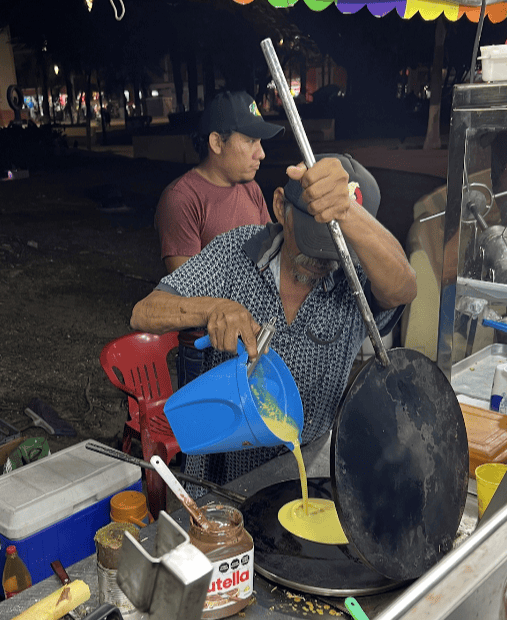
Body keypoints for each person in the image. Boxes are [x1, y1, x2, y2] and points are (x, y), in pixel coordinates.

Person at [133, 154, 417, 495]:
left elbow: (404, 287)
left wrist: (346, 212)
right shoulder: (235, 252)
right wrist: (212, 309)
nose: (321, 260)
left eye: (335, 246)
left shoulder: (354, 279)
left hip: (307, 474)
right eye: (313, 237)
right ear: (281, 205)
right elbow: (145, 312)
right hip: (220, 475)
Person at [155, 90, 285, 391]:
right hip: (207, 352)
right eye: (251, 141)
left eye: (261, 142)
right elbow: (188, 289)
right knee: (209, 435)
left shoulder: (251, 189)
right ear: (216, 142)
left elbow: (272, 256)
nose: (261, 153)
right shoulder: (182, 199)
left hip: (256, 342)